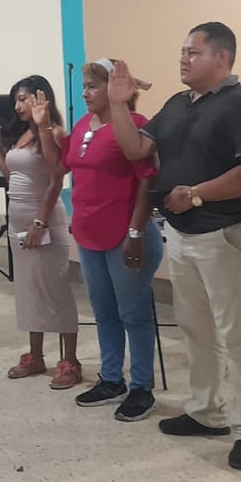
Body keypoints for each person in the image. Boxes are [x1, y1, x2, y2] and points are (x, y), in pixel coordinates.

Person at [107, 23, 241, 470]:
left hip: (228, 232)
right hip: (183, 233)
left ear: (222, 57)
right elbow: (135, 149)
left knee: (240, 334)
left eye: (193, 52)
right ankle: (206, 411)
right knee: (197, 329)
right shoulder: (178, 104)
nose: (183, 59)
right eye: (182, 51)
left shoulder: (239, 101)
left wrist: (198, 194)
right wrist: (118, 103)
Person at [42, 59, 164, 420]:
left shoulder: (135, 125)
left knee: (133, 314)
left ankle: (141, 387)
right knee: (104, 312)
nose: (85, 93)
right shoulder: (84, 125)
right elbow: (59, 168)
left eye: (93, 86)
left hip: (126, 235)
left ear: (114, 88)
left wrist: (136, 232)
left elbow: (148, 180)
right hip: (90, 235)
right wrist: (43, 128)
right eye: (84, 86)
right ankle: (112, 379)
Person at [0, 75, 81, 389]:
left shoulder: (53, 132)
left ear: (41, 99)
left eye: (23, 99)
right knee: (28, 291)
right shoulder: (21, 135)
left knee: (55, 291)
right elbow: (10, 175)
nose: (17, 105)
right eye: (15, 100)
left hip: (45, 221)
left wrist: (39, 222)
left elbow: (56, 178)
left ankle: (70, 361)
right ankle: (36, 355)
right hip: (19, 223)